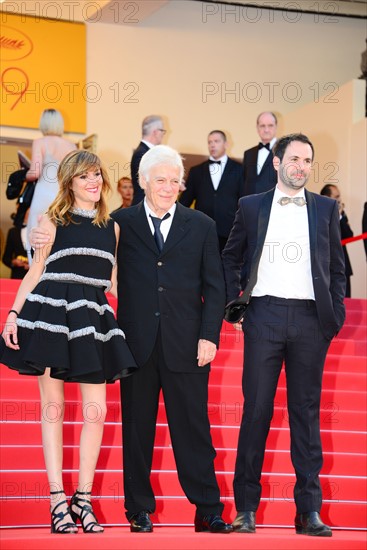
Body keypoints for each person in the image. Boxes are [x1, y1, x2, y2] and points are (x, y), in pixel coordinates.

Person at [29, 145, 233, 534]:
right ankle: (138, 509)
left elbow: (215, 286)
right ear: (143, 183)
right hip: (132, 342)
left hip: (188, 343)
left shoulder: (202, 225)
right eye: (160, 179)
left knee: (194, 429)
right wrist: (43, 233)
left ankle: (208, 508)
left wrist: (210, 336)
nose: (169, 187)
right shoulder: (118, 222)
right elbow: (76, 238)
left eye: (175, 180)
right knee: (137, 430)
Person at [1, 150, 137, 534]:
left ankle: (83, 497)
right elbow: (34, 273)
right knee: (53, 407)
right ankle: (57, 498)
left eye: (96, 175)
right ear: (70, 183)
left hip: (92, 317)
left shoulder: (111, 227)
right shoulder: (51, 221)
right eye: (84, 177)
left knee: (98, 411)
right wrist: (13, 314)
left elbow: (113, 283)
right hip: (52, 314)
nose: (93, 182)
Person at [222, 134, 346, 537]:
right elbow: (231, 257)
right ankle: (245, 509)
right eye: (293, 159)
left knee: (305, 416)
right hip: (265, 315)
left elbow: (337, 268)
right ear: (277, 163)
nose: (301, 167)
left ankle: (308, 511)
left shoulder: (326, 208)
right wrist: (234, 304)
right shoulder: (251, 205)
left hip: (311, 321)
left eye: (307, 161)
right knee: (256, 411)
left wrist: (334, 316)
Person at [179, 130, 244, 252]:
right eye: (209, 142)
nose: (212, 145)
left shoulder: (239, 170)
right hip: (202, 231)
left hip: (230, 232)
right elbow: (184, 203)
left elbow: (243, 201)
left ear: (226, 144)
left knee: (227, 269)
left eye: (216, 141)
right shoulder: (196, 171)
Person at [26, 109, 76, 263]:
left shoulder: (40, 142)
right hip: (63, 197)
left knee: (36, 236)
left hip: (43, 196)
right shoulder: (72, 146)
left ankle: (35, 275)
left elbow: (35, 172)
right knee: (61, 236)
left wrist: (23, 173)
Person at [320, 184, 354, 297]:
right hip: (325, 268)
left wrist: (339, 217)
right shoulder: (319, 214)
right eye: (337, 196)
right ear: (326, 197)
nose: (339, 200)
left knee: (346, 303)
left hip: (343, 267)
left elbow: (349, 236)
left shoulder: (342, 215)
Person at [130, 115, 167, 205]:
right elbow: (149, 181)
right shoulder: (142, 154)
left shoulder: (147, 152)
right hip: (143, 206)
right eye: (162, 130)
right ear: (155, 132)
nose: (163, 134)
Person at [243, 111, 278, 196]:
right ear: (257, 128)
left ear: (276, 127)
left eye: (270, 125)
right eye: (262, 126)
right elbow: (243, 183)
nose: (266, 130)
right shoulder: (248, 153)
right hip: (250, 205)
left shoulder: (285, 151)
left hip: (274, 205)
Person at [2, 209, 29, 279]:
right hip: (17, 276)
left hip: (36, 278)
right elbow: (6, 258)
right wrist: (13, 262)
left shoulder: (42, 232)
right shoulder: (13, 232)